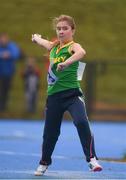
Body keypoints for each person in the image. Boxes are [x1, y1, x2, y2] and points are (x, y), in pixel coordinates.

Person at [31, 14, 102, 176]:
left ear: (72, 30)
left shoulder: (73, 46)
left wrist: (66, 62)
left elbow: (81, 53)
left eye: (65, 28)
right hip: (54, 97)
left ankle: (92, 159)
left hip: (72, 95)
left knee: (82, 122)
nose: (61, 31)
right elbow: (45, 43)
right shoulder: (54, 47)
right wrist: (36, 38)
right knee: (50, 133)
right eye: (59, 29)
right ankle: (44, 162)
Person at [0, 33, 21, 111]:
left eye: (4, 39)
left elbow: (16, 54)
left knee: (6, 90)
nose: (3, 41)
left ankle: (3, 108)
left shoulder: (12, 46)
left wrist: (9, 55)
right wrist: (2, 55)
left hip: (8, 73)